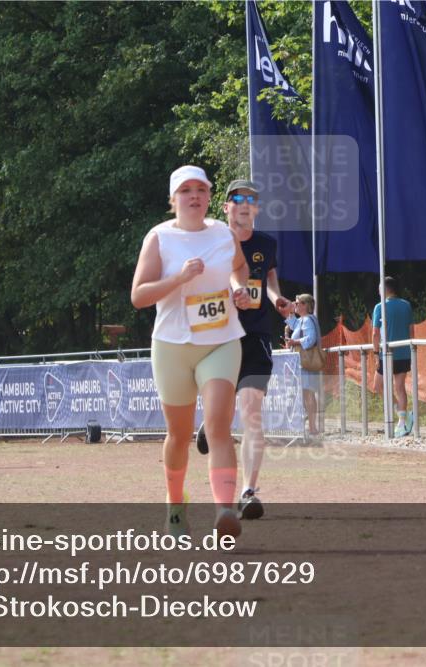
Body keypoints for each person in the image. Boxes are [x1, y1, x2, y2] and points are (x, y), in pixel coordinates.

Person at [131, 165, 251, 539]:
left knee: (217, 424)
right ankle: (175, 505)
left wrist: (238, 288)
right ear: (173, 199)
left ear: (210, 196)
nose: (194, 196)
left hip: (221, 340)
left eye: (201, 189)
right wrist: (179, 278)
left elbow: (240, 267)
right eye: (185, 190)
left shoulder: (223, 233)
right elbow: (138, 296)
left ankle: (225, 512)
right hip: (172, 344)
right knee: (179, 435)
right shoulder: (159, 238)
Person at [196, 180, 292, 521]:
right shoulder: (211, 242)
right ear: (226, 207)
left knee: (251, 411)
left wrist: (276, 299)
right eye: (238, 198)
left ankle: (248, 491)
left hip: (255, 335)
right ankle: (210, 423)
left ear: (257, 209)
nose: (245, 204)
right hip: (221, 336)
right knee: (221, 411)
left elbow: (268, 279)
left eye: (252, 199)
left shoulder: (266, 243)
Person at [372, 276, 414, 437]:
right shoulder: (406, 305)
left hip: (386, 353)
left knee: (379, 386)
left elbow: (375, 333)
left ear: (385, 289)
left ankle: (402, 419)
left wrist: (376, 354)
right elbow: (412, 331)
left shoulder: (379, 307)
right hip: (403, 351)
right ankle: (403, 418)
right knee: (399, 386)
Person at [285, 294, 322, 437]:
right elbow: (294, 324)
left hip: (306, 362)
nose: (296, 305)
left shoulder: (306, 320)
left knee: (308, 394)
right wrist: (288, 311)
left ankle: (312, 427)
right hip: (305, 362)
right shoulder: (303, 320)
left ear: (306, 305)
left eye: (298, 303)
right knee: (307, 393)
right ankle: (311, 426)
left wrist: (294, 342)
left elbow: (311, 339)